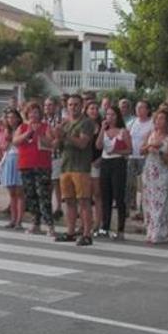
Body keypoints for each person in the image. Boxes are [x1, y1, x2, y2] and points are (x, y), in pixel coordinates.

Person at [54, 94, 95, 246]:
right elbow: (57, 146)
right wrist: (57, 137)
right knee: (69, 201)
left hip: (81, 167)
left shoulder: (86, 123)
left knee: (84, 201)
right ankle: (70, 231)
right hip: (66, 165)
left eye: (76, 104)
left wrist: (65, 136)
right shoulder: (65, 123)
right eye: (70, 105)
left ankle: (86, 233)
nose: (73, 107)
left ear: (82, 105)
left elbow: (83, 143)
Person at [13, 101, 55, 235]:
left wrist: (40, 135)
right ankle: (35, 222)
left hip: (42, 164)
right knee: (30, 195)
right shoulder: (23, 127)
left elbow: (52, 143)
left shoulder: (46, 126)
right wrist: (28, 133)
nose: (33, 115)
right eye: (30, 112)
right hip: (26, 164)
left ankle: (49, 224)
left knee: (43, 195)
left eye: (36, 112)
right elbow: (15, 141)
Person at [141, 109, 168, 244]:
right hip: (149, 171)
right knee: (149, 201)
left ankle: (159, 233)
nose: (158, 121)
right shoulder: (150, 133)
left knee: (160, 202)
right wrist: (150, 145)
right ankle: (150, 231)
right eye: (157, 118)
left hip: (161, 171)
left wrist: (160, 150)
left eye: (162, 118)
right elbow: (141, 150)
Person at [95, 105, 132, 240]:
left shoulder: (123, 131)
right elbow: (98, 145)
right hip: (105, 162)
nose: (110, 117)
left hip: (118, 162)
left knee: (118, 195)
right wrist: (101, 130)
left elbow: (129, 149)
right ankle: (105, 226)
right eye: (108, 115)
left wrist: (116, 151)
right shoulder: (104, 130)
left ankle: (121, 229)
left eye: (113, 115)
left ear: (117, 117)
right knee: (106, 196)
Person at [126, 100, 153, 220]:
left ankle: (143, 210)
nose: (139, 110)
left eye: (142, 107)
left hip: (145, 158)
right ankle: (127, 208)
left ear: (147, 110)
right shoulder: (132, 122)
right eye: (137, 107)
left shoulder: (152, 124)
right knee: (129, 184)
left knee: (144, 186)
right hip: (132, 156)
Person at [0, 108, 24, 229]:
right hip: (9, 159)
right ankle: (13, 219)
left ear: (18, 118)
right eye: (8, 117)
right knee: (12, 193)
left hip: (19, 158)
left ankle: (19, 220)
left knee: (19, 192)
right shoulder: (6, 131)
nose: (11, 120)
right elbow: (3, 146)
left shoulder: (22, 128)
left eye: (13, 117)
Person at [84, 100, 103, 235]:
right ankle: (86, 223)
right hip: (84, 163)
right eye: (91, 108)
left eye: (96, 108)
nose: (94, 111)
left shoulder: (103, 126)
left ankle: (98, 222)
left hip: (97, 162)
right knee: (85, 196)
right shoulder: (83, 125)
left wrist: (100, 160)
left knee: (97, 194)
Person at [43, 97, 63, 220]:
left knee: (56, 182)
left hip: (56, 155)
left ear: (55, 106)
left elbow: (58, 138)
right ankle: (47, 206)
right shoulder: (42, 120)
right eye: (46, 105)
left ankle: (59, 206)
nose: (47, 108)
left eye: (50, 105)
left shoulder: (60, 120)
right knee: (46, 183)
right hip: (44, 154)